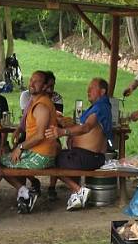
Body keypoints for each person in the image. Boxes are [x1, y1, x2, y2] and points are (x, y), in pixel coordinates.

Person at [45, 77, 112, 210]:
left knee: (51, 160)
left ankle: (78, 190)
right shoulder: (98, 107)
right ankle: (76, 194)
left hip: (89, 157)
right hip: (84, 155)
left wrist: (62, 132)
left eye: (92, 88)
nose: (88, 91)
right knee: (61, 156)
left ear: (102, 91)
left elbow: (86, 128)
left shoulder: (100, 108)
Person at [2, 71, 58, 214]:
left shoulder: (42, 106)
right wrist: (19, 130)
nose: (32, 83)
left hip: (41, 156)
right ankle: (24, 192)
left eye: (37, 81)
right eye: (31, 80)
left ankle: (25, 192)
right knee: (5, 159)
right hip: (38, 152)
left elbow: (39, 136)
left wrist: (20, 147)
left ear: (45, 86)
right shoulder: (35, 102)